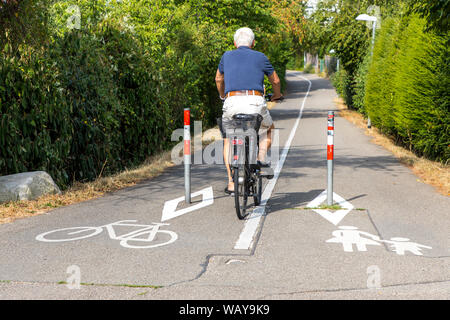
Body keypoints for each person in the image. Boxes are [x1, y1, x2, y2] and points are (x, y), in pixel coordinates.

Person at [215, 27, 283, 194]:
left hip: (231, 102)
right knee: (268, 129)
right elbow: (275, 80)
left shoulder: (226, 56)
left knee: (228, 139)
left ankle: (231, 182)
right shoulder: (261, 57)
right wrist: (277, 95)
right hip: (254, 101)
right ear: (253, 43)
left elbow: (218, 78)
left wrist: (223, 95)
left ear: (234, 43)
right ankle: (259, 159)